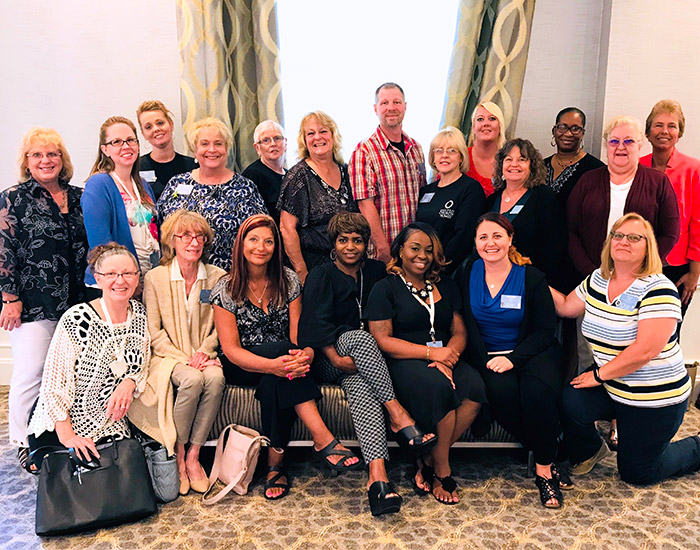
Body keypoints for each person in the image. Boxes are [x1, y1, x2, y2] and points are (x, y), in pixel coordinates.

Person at [212, 214, 361, 500]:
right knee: (280, 357)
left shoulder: (289, 279)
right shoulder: (226, 287)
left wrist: (304, 355)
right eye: (253, 240)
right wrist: (273, 365)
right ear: (241, 244)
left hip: (286, 363)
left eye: (269, 241)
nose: (261, 247)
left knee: (276, 381)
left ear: (276, 247)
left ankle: (275, 465)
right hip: (243, 364)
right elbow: (231, 350)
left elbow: (298, 337)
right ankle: (323, 438)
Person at [299, 212, 436, 516]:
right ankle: (398, 415)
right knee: (360, 338)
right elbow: (312, 326)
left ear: (367, 243)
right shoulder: (321, 275)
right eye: (343, 240)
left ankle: (378, 480)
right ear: (333, 243)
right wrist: (335, 357)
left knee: (362, 387)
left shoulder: (376, 272)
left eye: (358, 241)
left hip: (365, 367)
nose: (351, 247)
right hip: (330, 358)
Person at [551, 213, 700, 485]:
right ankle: (590, 450)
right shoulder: (598, 279)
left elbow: (645, 350)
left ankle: (696, 447)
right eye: (618, 236)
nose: (624, 242)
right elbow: (565, 306)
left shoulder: (659, 289)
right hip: (612, 386)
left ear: (648, 247)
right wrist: (525, 275)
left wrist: (598, 376)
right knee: (570, 398)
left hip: (653, 396)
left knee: (639, 473)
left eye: (634, 238)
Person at [366, 223, 486, 505]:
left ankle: (427, 461)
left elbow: (459, 331)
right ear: (400, 251)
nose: (422, 255)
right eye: (415, 248)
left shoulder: (446, 285)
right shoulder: (385, 287)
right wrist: (433, 355)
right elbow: (382, 340)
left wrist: (449, 355)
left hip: (446, 357)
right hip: (405, 359)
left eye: (429, 250)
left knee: (475, 389)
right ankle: (442, 470)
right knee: (439, 387)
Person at [457, 213, 568, 508]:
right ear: (476, 243)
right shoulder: (467, 272)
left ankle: (544, 471)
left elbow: (545, 331)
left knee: (537, 394)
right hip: (488, 356)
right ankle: (550, 449)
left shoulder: (532, 277)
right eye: (483, 237)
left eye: (497, 236)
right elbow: (459, 323)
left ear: (510, 239)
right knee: (501, 394)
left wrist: (513, 359)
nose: (490, 243)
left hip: (531, 351)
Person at [1, 128, 88, 470]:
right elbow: (4, 250)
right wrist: (10, 298)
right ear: (26, 161)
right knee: (32, 371)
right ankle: (24, 441)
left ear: (62, 159)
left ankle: (61, 435)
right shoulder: (14, 198)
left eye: (52, 154)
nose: (45, 160)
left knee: (70, 372)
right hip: (33, 302)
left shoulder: (79, 196)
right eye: (36, 154)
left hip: (77, 299)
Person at [129, 210, 226, 495]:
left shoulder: (218, 277)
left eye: (199, 236)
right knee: (193, 380)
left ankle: (195, 455)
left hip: (204, 354)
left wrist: (205, 351)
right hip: (169, 357)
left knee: (216, 379)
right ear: (172, 240)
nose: (193, 242)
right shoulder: (156, 278)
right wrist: (184, 358)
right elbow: (154, 332)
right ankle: (180, 454)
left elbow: (221, 326)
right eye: (185, 235)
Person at [27, 244, 150, 466]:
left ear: (137, 276)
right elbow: (53, 387)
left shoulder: (140, 314)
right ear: (97, 278)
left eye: (127, 273)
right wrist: (68, 437)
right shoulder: (77, 320)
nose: (120, 281)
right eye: (111, 274)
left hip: (111, 424)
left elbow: (144, 362)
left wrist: (130, 382)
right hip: (63, 425)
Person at [567, 115, 680, 281]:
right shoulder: (587, 180)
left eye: (629, 141)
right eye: (614, 141)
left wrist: (645, 267)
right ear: (606, 145)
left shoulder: (658, 182)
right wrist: (590, 271)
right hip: (589, 276)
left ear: (640, 144)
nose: (621, 147)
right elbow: (570, 229)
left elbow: (670, 233)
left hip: (641, 278)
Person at [158, 117, 267, 271]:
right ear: (194, 149)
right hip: (183, 278)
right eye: (204, 144)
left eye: (218, 143)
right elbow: (160, 230)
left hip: (232, 278)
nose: (212, 149)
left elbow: (262, 234)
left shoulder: (245, 188)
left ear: (226, 148)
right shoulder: (177, 184)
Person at [349, 83, 427, 263]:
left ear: (405, 107)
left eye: (396, 102)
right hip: (383, 252)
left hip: (414, 250)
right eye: (384, 103)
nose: (391, 108)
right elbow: (365, 205)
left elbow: (422, 194)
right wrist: (382, 247)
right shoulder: (364, 152)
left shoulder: (416, 148)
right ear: (376, 109)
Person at [277, 111, 358, 282]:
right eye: (311, 133)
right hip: (314, 268)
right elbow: (286, 228)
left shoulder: (346, 171)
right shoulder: (298, 176)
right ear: (304, 140)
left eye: (323, 131)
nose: (317, 137)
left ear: (333, 135)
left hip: (348, 265)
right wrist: (302, 273)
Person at [82, 116, 160, 290]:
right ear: (105, 150)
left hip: (146, 280)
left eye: (131, 140)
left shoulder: (143, 185)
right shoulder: (99, 184)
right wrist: (125, 280)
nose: (126, 146)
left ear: (138, 146)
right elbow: (100, 244)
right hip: (115, 285)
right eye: (116, 141)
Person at [640, 99, 700, 320]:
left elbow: (697, 222)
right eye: (658, 125)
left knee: (668, 331)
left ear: (679, 133)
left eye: (672, 126)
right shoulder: (636, 167)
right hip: (639, 263)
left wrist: (694, 273)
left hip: (677, 266)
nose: (664, 131)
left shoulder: (693, 169)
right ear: (648, 132)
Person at [487, 138, 567, 291]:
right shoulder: (491, 200)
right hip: (491, 278)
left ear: (532, 166)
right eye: (508, 159)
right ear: (501, 165)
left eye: (522, 159)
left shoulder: (544, 197)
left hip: (529, 280)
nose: (514, 164)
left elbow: (554, 246)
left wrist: (538, 283)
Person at [416, 127, 485, 274]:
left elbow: (463, 235)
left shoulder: (471, 189)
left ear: (461, 157)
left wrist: (440, 265)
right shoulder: (426, 191)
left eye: (452, 151)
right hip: (420, 265)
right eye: (439, 151)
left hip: (447, 269)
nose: (444, 155)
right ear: (433, 157)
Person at [136, 100, 198, 201]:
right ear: (143, 134)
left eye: (160, 123)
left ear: (171, 124)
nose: (156, 129)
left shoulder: (193, 166)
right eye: (148, 127)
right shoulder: (136, 168)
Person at [543, 107, 604, 208]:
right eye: (562, 127)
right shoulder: (540, 166)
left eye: (575, 129)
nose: (568, 133)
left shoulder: (596, 169)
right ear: (554, 131)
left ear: (582, 133)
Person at [242, 120, 287, 225]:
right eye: (266, 140)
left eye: (277, 138)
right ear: (257, 148)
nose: (273, 144)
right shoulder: (252, 175)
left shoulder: (291, 174)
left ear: (285, 143)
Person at [466, 101, 506, 197]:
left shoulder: (510, 161)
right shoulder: (460, 159)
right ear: (473, 128)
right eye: (480, 119)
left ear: (500, 126)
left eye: (492, 119)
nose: (486, 123)